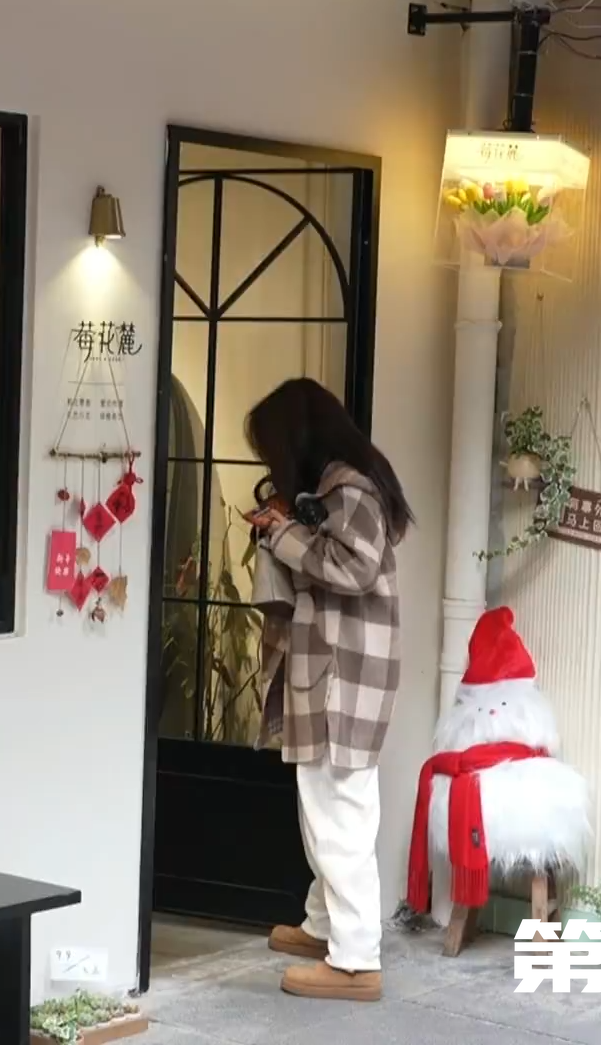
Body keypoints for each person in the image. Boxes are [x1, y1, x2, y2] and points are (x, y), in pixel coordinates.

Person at [243, 377, 412, 1002]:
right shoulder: (342, 488)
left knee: (338, 810)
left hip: (343, 673)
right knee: (323, 803)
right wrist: (290, 524)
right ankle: (325, 927)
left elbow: (354, 567)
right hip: (335, 669)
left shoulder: (351, 489)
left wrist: (283, 536)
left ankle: (356, 960)